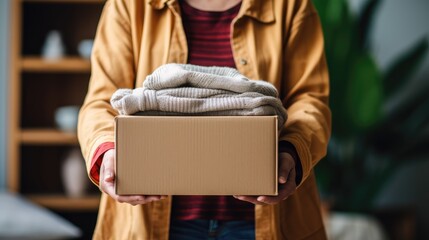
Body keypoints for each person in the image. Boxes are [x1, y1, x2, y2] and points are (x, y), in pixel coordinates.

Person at [78, 0, 331, 239]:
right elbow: (102, 102)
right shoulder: (131, 5)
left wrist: (291, 152)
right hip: (148, 223)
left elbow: (310, 100)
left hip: (266, 221)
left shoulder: (289, 5)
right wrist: (109, 152)